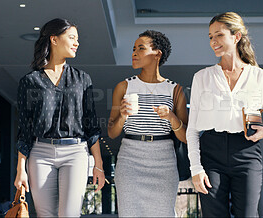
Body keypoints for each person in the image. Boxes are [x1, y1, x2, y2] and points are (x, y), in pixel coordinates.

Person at [186, 12, 263, 217]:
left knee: (248, 214)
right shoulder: (202, 77)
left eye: (219, 35)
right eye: (210, 37)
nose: (213, 41)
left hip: (247, 153)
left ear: (236, 36)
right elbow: (192, 128)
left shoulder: (260, 77)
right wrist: (196, 168)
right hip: (211, 152)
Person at [13, 18, 105, 217]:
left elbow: (91, 124)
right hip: (40, 154)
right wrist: (21, 169)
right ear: (54, 39)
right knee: (45, 214)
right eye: (71, 37)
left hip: (75, 153)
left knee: (70, 214)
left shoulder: (82, 79)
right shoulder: (30, 81)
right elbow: (24, 129)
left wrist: (98, 164)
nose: (76, 43)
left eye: (77, 39)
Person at [108, 30, 188, 217]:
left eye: (141, 49)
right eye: (134, 49)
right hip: (130, 160)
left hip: (164, 162)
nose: (134, 53)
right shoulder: (124, 86)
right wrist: (122, 116)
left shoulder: (175, 90)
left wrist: (172, 118)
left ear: (157, 54)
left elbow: (186, 136)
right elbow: (112, 132)